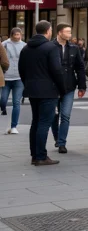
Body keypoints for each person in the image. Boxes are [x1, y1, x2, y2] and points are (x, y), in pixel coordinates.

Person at [21, 21, 66, 165]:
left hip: (32, 90)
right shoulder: (51, 47)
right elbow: (57, 70)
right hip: (48, 90)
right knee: (44, 123)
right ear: (48, 31)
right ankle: (41, 156)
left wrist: (28, 83)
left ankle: (35, 155)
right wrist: (62, 89)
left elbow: (22, 69)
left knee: (35, 121)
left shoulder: (26, 48)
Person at [50, 24, 86, 154]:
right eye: (67, 32)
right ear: (59, 33)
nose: (70, 34)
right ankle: (57, 137)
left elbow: (80, 68)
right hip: (53, 87)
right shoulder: (50, 47)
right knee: (53, 115)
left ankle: (62, 143)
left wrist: (82, 86)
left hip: (69, 86)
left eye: (70, 32)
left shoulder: (74, 48)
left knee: (65, 115)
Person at [1, 28, 25, 134]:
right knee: (3, 100)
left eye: (19, 34)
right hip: (6, 77)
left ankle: (14, 126)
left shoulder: (24, 45)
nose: (17, 36)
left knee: (16, 102)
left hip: (19, 78)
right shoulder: (4, 44)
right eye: (15, 34)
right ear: (11, 35)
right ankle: (3, 108)